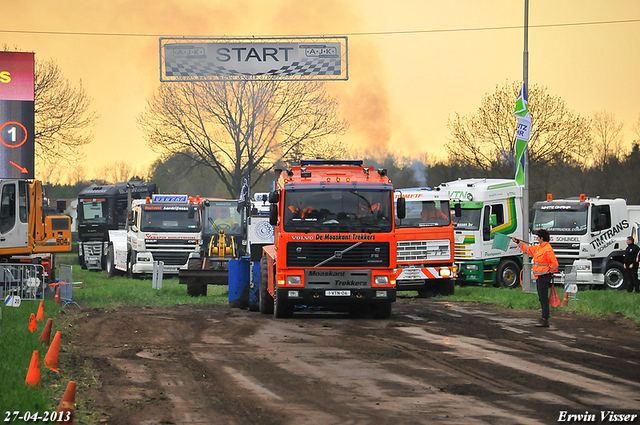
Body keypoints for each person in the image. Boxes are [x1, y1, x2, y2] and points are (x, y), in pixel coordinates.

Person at [513, 229, 559, 327]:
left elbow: (555, 265)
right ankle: (544, 318)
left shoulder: (547, 249)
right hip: (540, 277)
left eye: (538, 237)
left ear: (542, 238)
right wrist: (518, 242)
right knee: (542, 298)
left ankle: (545, 319)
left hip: (544, 277)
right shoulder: (539, 248)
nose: (537, 239)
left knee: (543, 298)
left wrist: (550, 273)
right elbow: (527, 249)